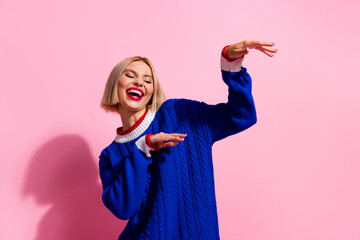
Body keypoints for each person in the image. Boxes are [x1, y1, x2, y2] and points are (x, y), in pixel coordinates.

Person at [99, 40, 277, 239]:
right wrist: (142, 148)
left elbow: (241, 117)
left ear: (152, 91)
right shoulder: (110, 156)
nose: (139, 82)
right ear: (115, 84)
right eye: (130, 75)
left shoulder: (180, 113)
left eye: (148, 80)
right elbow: (123, 208)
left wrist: (231, 67)